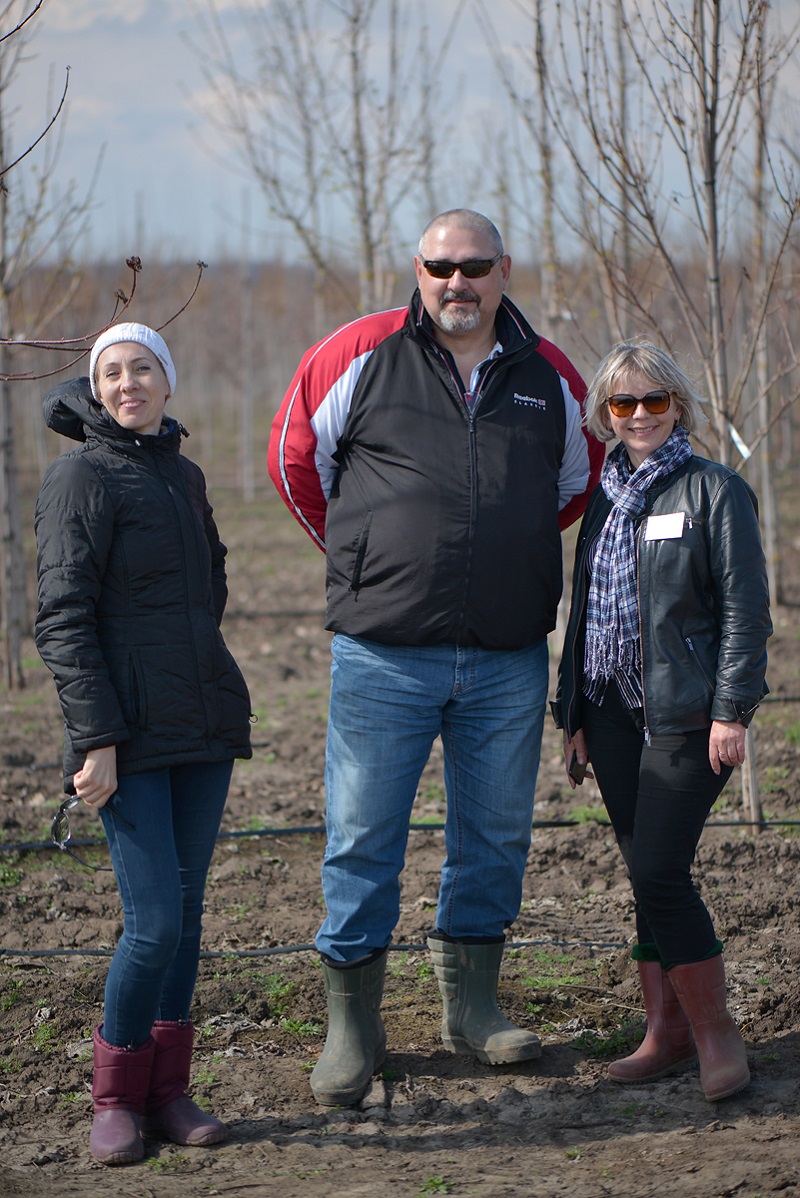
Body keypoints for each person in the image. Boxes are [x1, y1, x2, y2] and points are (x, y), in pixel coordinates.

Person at [268, 209, 604, 1106]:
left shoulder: (549, 374)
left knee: (494, 835)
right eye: (440, 265)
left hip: (504, 657)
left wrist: (507, 553)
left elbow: (574, 484)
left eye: (476, 266)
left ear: (504, 270)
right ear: (416, 269)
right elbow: (297, 460)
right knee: (363, 835)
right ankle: (354, 1027)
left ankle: (473, 1008)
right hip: (384, 655)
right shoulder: (357, 352)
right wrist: (367, 560)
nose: (458, 281)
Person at [35, 323, 253, 1165]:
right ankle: (117, 1096)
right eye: (112, 373)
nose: (129, 384)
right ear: (97, 389)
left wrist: (197, 668)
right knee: (153, 921)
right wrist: (96, 739)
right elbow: (62, 617)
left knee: (189, 919)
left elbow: (212, 586)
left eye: (143, 369)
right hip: (124, 738)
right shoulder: (78, 476)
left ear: (167, 380)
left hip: (199, 725)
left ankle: (169, 1092)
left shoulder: (183, 474)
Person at [552, 339, 771, 1102]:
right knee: (645, 878)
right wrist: (572, 711)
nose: (639, 415)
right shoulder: (605, 496)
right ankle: (666, 1034)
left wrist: (732, 711)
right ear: (604, 414)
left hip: (685, 716)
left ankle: (715, 1034)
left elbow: (747, 609)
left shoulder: (714, 491)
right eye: (623, 403)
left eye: (653, 401)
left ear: (677, 404)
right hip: (609, 712)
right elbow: (582, 612)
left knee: (658, 871)